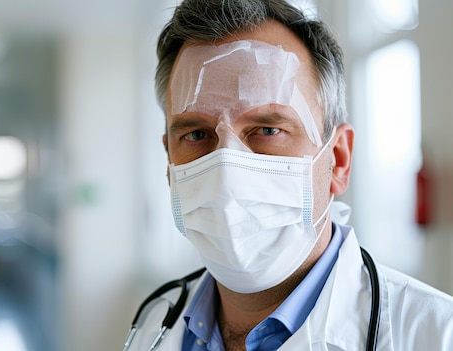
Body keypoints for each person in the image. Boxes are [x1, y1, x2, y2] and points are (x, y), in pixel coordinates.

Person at [124, 0, 453, 350]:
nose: (225, 175)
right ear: (170, 164)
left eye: (266, 129)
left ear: (338, 160)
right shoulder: (152, 326)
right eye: (196, 134)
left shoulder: (437, 335)